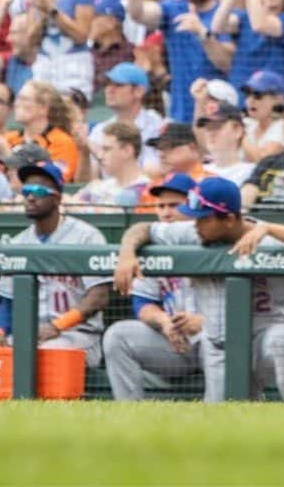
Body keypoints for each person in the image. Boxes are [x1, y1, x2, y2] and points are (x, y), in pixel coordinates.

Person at [113, 176, 284, 402]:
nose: (195, 224)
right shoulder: (194, 233)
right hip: (218, 347)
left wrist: (267, 228)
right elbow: (142, 228)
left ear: (228, 219)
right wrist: (127, 253)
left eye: (203, 219)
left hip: (261, 341)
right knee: (220, 425)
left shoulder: (267, 240)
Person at [0, 160, 111, 367]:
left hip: (78, 337)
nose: (30, 196)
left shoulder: (87, 237)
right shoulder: (18, 243)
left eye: (38, 190)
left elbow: (99, 297)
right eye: (26, 190)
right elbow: (8, 301)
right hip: (28, 337)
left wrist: (58, 325)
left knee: (40, 357)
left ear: (57, 197)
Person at [103, 171, 204, 399]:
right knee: (118, 336)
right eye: (161, 206)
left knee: (219, 339)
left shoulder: (212, 237)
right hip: (176, 346)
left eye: (174, 205)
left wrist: (205, 323)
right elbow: (142, 304)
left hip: (215, 343)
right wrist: (165, 322)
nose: (166, 213)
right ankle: (130, 418)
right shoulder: (152, 244)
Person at [126, 0, 233, 124]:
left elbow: (227, 64)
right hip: (181, 113)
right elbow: (137, 14)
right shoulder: (172, 10)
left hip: (218, 116)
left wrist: (203, 34)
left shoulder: (226, 17)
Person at [88, 62, 164, 171]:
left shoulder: (157, 125)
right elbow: (87, 178)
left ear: (139, 91)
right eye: (107, 84)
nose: (109, 90)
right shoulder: (99, 130)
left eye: (118, 85)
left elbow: (159, 171)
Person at [4, 81, 81, 183]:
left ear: (43, 108)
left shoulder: (62, 142)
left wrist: (6, 154)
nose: (17, 104)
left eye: (24, 99)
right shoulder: (8, 138)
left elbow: (54, 182)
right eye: (18, 98)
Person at [70, 122, 149, 209]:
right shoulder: (100, 186)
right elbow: (68, 204)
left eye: (106, 149)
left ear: (127, 151)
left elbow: (113, 213)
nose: (100, 156)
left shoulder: (144, 189)